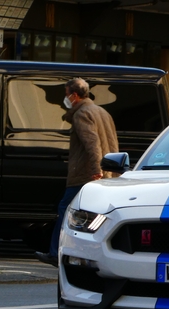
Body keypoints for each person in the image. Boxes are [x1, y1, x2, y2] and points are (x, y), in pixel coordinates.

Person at [35, 78, 119, 267]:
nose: (65, 98)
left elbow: (92, 143)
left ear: (74, 95)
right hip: (105, 173)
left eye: (66, 94)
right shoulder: (102, 112)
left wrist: (96, 169)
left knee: (65, 209)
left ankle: (55, 252)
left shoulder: (82, 114)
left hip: (85, 174)